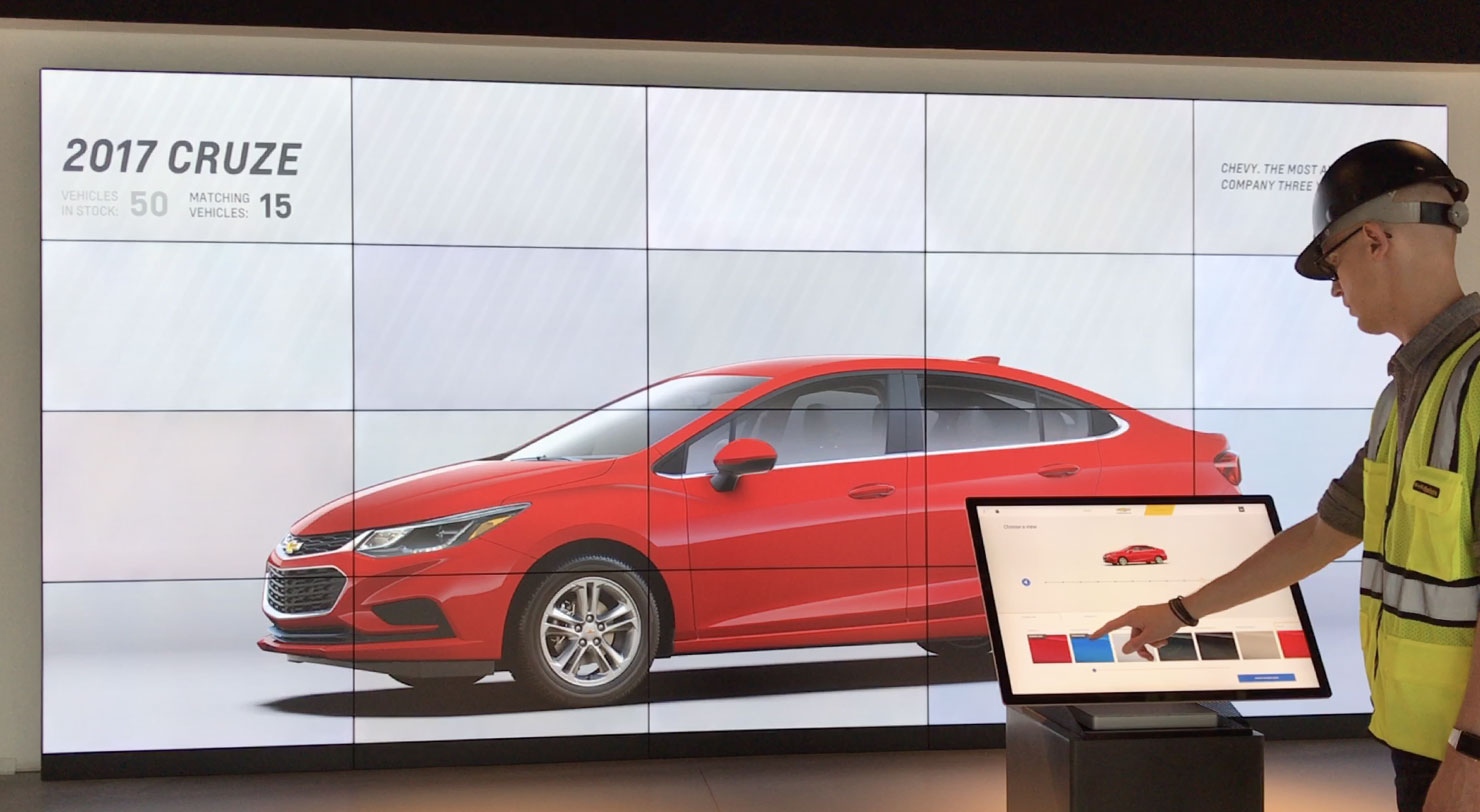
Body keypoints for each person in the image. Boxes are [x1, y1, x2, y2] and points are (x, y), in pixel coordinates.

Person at [1092, 139, 1479, 812]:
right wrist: (1180, 612)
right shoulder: (1407, 394)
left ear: (1375, 241)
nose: (1336, 289)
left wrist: (1472, 753)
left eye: (1334, 264)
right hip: (1426, 743)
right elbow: (1328, 533)